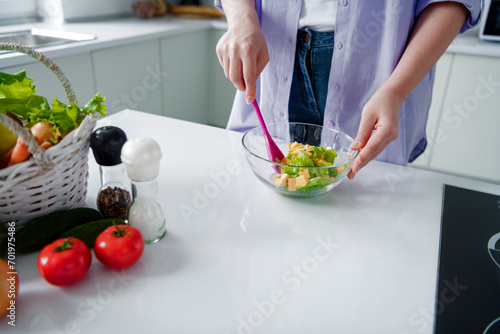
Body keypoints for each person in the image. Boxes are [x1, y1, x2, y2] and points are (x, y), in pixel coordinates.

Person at [214, 0, 481, 179]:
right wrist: (241, 20)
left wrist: (395, 91)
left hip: (380, 73)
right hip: (272, 57)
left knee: (362, 207)